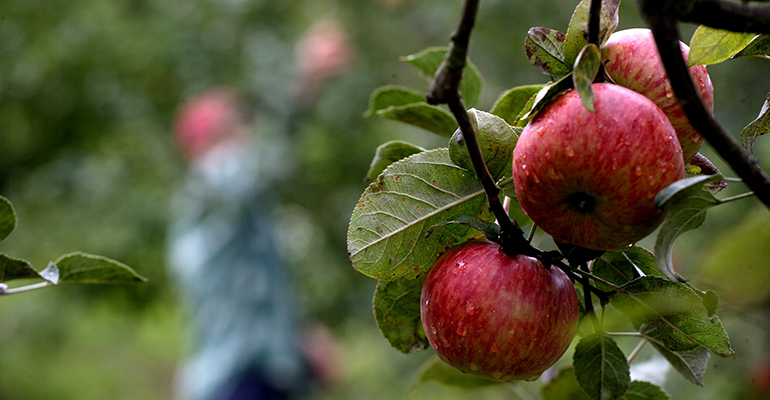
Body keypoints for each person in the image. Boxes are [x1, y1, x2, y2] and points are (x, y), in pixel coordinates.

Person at [167, 20, 352, 400]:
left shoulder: (226, 211)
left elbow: (251, 298)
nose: (248, 135)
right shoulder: (213, 185)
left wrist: (298, 345)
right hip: (238, 382)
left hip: (253, 376)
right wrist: (304, 83)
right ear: (210, 141)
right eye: (238, 127)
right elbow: (265, 163)